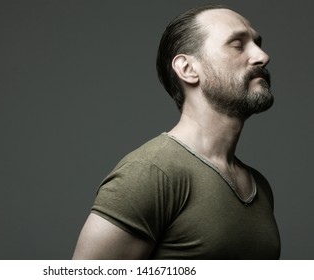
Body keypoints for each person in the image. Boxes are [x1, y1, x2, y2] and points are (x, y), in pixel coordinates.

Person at [72, 4, 281, 259]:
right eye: (238, 44)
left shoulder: (259, 187)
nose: (262, 56)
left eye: (257, 43)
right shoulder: (150, 172)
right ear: (188, 69)